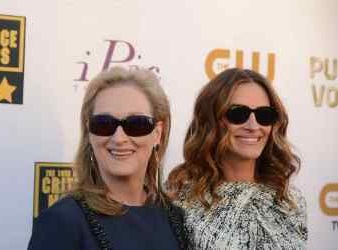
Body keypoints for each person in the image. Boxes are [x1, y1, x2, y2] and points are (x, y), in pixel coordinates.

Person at [28, 67, 187, 250]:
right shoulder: (63, 222)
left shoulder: (176, 218)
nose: (119, 139)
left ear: (158, 133)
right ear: (89, 133)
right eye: (104, 124)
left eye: (136, 124)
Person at [167, 68, 307, 249]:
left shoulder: (291, 201)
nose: (253, 126)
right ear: (211, 121)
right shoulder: (180, 200)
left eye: (264, 115)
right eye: (238, 114)